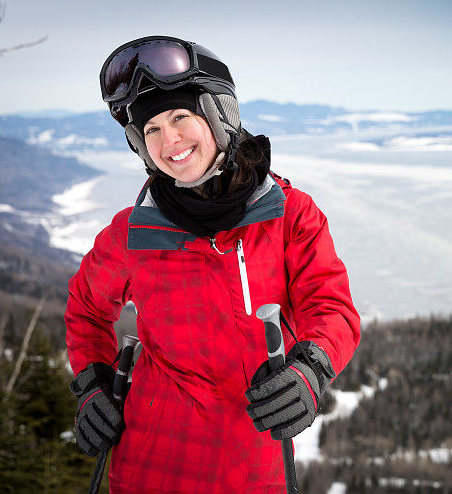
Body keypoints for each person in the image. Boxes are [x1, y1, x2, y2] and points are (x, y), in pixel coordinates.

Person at [64, 36, 361, 492]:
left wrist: (309, 372)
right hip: (148, 468)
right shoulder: (133, 233)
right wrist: (93, 385)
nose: (170, 141)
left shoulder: (289, 215)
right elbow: (85, 309)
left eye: (181, 117)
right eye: (152, 130)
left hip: (254, 466)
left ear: (220, 115)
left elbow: (332, 309)